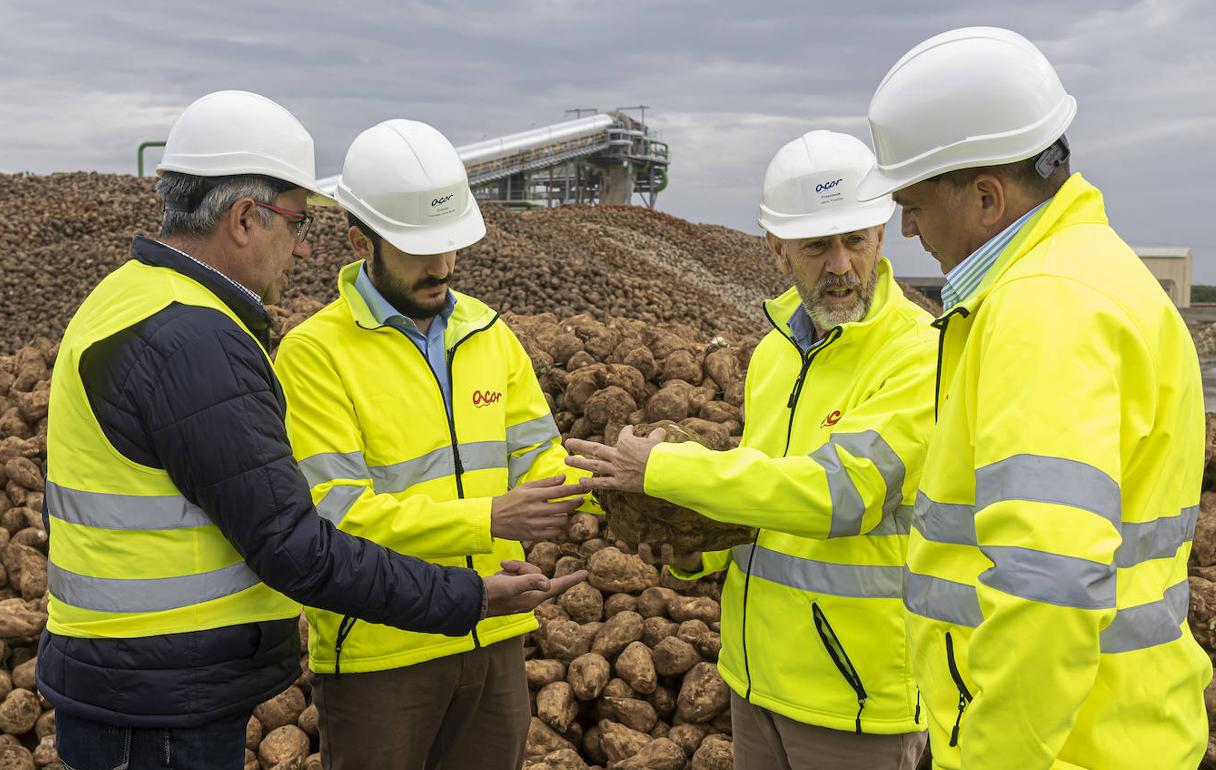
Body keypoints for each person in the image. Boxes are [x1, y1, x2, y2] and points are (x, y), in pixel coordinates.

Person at [36, 92, 577, 770]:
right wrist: (470, 588)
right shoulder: (194, 341)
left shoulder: (132, 299)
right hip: (161, 699)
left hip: (151, 683)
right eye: (295, 221)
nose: (302, 243)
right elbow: (300, 543)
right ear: (243, 218)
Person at [855, 27, 1211, 769]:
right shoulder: (1100, 275)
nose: (908, 229)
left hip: (1057, 748)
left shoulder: (1043, 307)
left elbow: (1049, 584)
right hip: (1119, 728)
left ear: (987, 196)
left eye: (912, 205)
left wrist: (992, 758)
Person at [565, 131, 935, 770]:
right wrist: (690, 550)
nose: (841, 264)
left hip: (856, 698)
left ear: (883, 231)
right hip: (754, 679)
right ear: (777, 249)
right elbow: (759, 501)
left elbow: (837, 493)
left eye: (857, 239)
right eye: (817, 245)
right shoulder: (775, 354)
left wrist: (662, 469)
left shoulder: (919, 353)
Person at [272, 118, 597, 770]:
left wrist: (622, 498)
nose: (443, 266)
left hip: (496, 633)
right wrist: (489, 517)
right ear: (360, 237)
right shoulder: (315, 355)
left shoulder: (488, 333)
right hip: (381, 653)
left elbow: (541, 457)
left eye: (450, 245)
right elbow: (336, 517)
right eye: (421, 249)